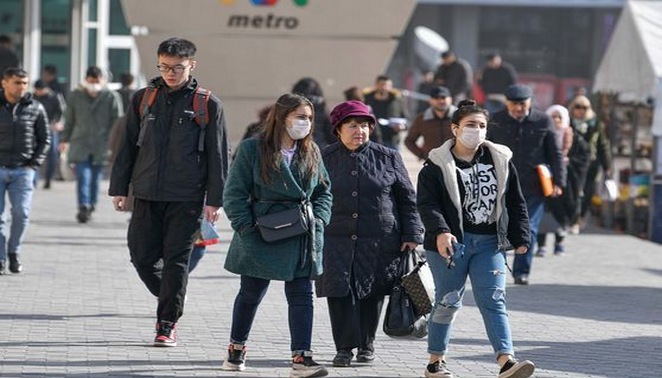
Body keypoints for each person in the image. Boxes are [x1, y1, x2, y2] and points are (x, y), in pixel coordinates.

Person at [109, 37, 229, 347]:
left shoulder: (207, 104)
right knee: (141, 257)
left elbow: (218, 155)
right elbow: (127, 148)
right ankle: (174, 292)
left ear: (192, 65)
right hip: (146, 193)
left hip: (187, 197)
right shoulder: (143, 99)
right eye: (164, 67)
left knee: (176, 261)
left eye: (177, 68)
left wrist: (215, 200)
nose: (170, 73)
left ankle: (166, 323)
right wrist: (119, 188)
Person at [417, 100, 534, 378]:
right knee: (448, 301)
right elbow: (427, 204)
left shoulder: (500, 159)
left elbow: (515, 201)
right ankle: (435, 361)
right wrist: (441, 231)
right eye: (470, 125)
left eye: (482, 126)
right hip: (450, 244)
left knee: (494, 299)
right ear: (455, 128)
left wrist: (521, 236)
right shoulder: (436, 163)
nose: (477, 130)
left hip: (489, 243)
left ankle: (506, 360)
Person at [221, 93, 332, 377]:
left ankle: (301, 358)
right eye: (300, 117)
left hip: (302, 233)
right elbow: (234, 193)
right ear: (282, 118)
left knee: (301, 295)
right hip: (263, 231)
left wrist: (319, 219)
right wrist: (246, 227)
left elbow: (323, 191)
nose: (305, 123)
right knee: (251, 293)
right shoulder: (252, 149)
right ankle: (236, 348)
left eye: (309, 118)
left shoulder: (311, 151)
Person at [316, 100, 423, 367]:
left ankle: (366, 345)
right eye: (352, 125)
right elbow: (313, 196)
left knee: (371, 291)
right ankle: (343, 348)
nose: (359, 131)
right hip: (334, 237)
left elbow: (407, 198)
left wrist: (412, 233)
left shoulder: (388, 157)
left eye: (364, 125)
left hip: (379, 238)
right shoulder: (323, 158)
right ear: (338, 129)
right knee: (338, 291)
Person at [487, 84, 565, 285]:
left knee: (528, 229)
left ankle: (521, 272)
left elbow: (555, 154)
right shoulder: (496, 120)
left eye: (522, 104)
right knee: (500, 228)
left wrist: (559, 181)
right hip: (502, 184)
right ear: (507, 103)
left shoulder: (543, 121)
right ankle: (498, 269)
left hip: (533, 187)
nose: (518, 108)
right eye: (514, 104)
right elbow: (484, 150)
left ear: (530, 102)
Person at [0, 68, 50, 274]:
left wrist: (33, 163)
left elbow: (44, 139)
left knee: (21, 213)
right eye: (17, 82)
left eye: (24, 83)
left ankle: (14, 252)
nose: (21, 87)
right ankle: (1, 258)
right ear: (4, 83)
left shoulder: (35, 108)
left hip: (23, 170)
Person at [59, 66, 122, 223]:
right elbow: (69, 120)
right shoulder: (75, 96)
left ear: (103, 80)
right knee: (83, 177)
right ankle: (83, 206)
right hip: (80, 142)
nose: (94, 83)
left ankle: (92, 204)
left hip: (102, 145)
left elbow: (118, 122)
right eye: (91, 80)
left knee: (95, 178)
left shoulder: (111, 97)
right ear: (86, 80)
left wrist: (116, 143)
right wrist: (64, 139)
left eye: (97, 80)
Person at [536, 105, 590, 256]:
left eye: (559, 117)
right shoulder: (542, 135)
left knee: (564, 212)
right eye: (553, 117)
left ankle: (559, 242)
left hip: (567, 183)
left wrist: (568, 162)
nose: (556, 120)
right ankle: (541, 244)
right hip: (545, 180)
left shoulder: (575, 138)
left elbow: (584, 158)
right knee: (544, 214)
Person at [568, 95, 611, 232]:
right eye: (578, 107)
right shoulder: (568, 122)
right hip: (573, 162)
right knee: (574, 191)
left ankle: (581, 217)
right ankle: (572, 219)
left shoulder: (596, 123)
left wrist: (607, 166)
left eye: (584, 107)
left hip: (591, 164)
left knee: (588, 193)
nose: (581, 110)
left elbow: (602, 145)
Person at [405, 86, 456, 160]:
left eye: (443, 98)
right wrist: (422, 155)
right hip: (433, 163)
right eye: (437, 98)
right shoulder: (422, 119)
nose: (441, 101)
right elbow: (409, 141)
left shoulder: (460, 117)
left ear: (450, 99)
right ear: (430, 100)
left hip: (457, 162)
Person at [33, 79, 66, 189]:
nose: (38, 92)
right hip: (35, 129)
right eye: (36, 90)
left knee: (52, 154)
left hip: (50, 129)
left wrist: (58, 122)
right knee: (34, 153)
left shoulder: (55, 97)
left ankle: (48, 178)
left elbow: (62, 112)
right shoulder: (32, 97)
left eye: (40, 90)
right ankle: (34, 179)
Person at [363, 75, 408, 149]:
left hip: (391, 141)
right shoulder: (366, 99)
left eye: (388, 85)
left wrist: (402, 127)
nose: (385, 88)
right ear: (376, 85)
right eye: (382, 84)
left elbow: (406, 119)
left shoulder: (397, 100)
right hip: (370, 140)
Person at [292, 77, 335, 149]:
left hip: (302, 147)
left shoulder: (292, 110)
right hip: (318, 146)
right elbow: (332, 136)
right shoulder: (321, 108)